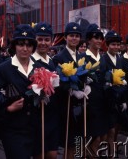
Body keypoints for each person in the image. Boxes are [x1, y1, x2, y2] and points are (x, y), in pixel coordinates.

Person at [0, 24, 39, 159]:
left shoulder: (39, 67)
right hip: (12, 129)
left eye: (28, 45)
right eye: (20, 44)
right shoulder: (3, 69)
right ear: (14, 46)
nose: (24, 48)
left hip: (35, 127)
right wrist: (8, 108)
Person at [53, 22, 85, 158]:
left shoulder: (81, 57)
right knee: (69, 142)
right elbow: (56, 83)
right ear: (65, 37)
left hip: (80, 106)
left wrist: (86, 86)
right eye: (71, 35)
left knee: (78, 141)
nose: (74, 38)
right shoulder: (59, 58)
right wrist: (69, 89)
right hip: (66, 106)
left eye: (77, 36)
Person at [32, 22, 60, 159]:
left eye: (47, 39)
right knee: (40, 154)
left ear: (52, 41)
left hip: (52, 116)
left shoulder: (52, 62)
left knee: (52, 154)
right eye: (40, 39)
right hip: (37, 117)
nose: (43, 43)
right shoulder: (29, 61)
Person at [81, 23, 109, 157]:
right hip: (89, 106)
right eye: (95, 37)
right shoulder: (82, 58)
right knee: (93, 139)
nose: (99, 40)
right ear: (88, 40)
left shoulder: (103, 59)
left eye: (100, 38)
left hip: (103, 104)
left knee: (102, 138)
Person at [100, 30, 127, 157]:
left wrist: (123, 100)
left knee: (113, 131)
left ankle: (111, 154)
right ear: (107, 45)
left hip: (116, 100)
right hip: (105, 101)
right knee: (104, 133)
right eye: (113, 44)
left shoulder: (120, 60)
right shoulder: (103, 59)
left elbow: (122, 80)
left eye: (118, 44)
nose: (116, 47)